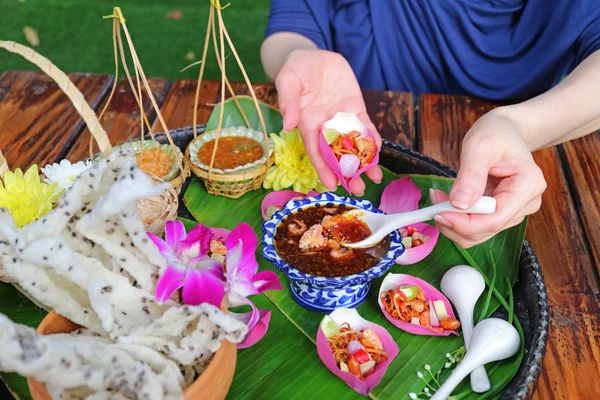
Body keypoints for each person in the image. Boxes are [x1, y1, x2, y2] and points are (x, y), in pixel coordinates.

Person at [260, 0, 600, 248]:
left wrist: (520, 124)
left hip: (521, 174)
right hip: (367, 140)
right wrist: (296, 55)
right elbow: (293, 22)